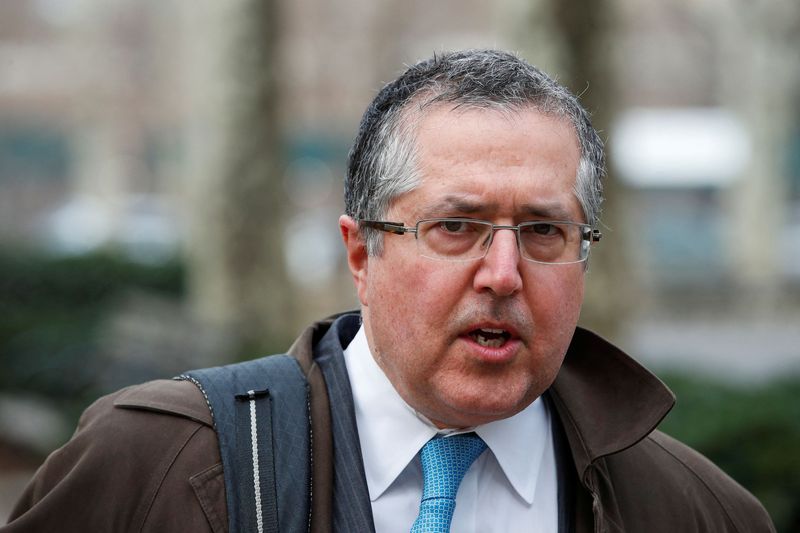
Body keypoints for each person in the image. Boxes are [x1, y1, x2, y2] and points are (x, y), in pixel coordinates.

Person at [3, 49, 774, 532]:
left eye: (543, 232)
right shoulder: (153, 463)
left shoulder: (701, 511)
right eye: (456, 226)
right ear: (360, 252)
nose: (504, 273)